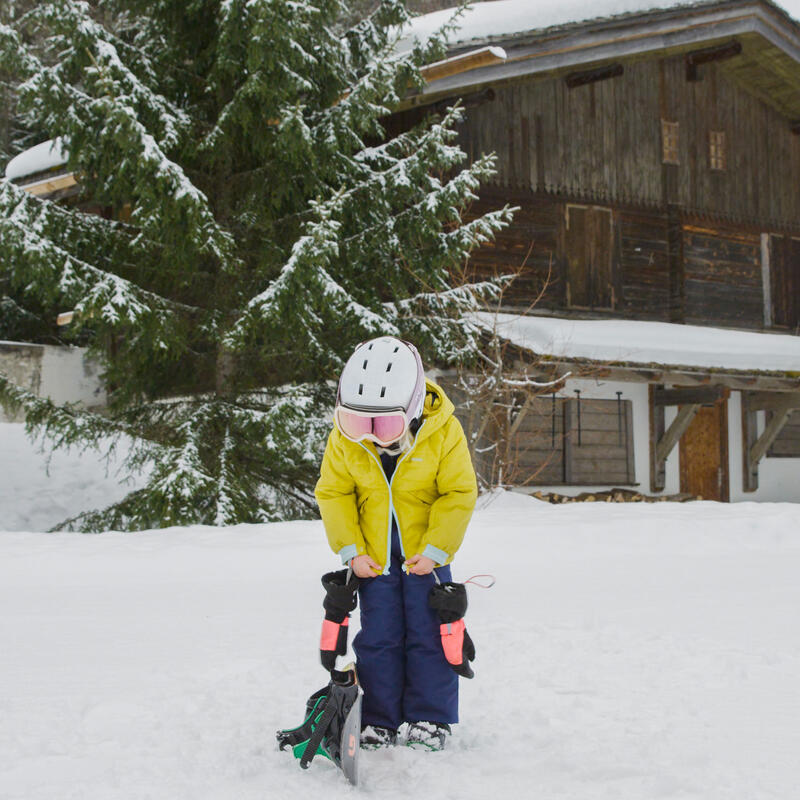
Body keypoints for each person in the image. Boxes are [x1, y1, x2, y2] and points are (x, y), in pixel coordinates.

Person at [314, 336, 478, 751]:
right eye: (358, 423)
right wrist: (352, 550)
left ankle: (430, 718)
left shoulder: (444, 433)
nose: (371, 437)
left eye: (384, 426)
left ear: (413, 404)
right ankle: (379, 719)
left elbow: (458, 493)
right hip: (374, 561)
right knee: (379, 637)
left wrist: (437, 550)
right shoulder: (345, 441)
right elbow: (333, 492)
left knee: (430, 634)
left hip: (427, 557)